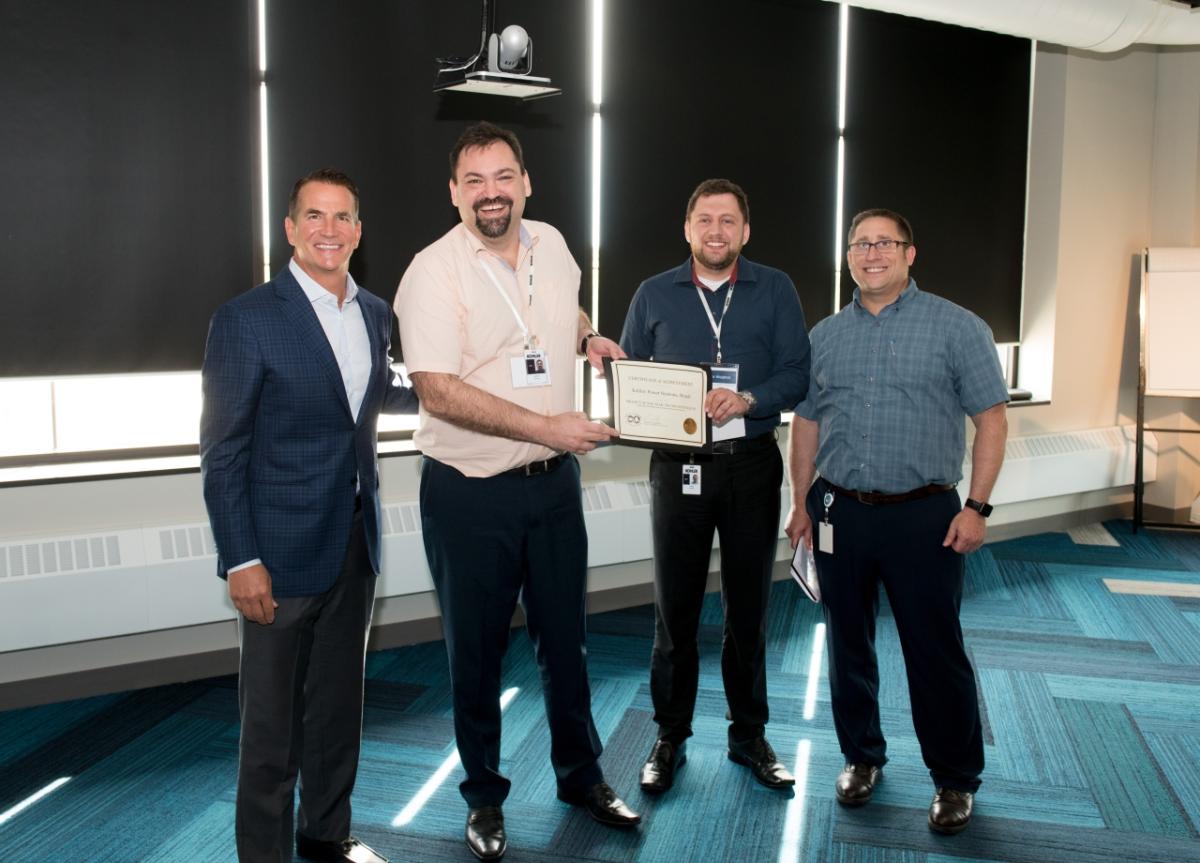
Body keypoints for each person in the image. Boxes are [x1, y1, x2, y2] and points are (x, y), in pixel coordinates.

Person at [393, 122, 639, 862]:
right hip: (471, 494)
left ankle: (581, 776)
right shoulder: (432, 271)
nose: (491, 192)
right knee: (477, 653)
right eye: (474, 180)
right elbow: (438, 391)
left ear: (526, 182)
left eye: (503, 176)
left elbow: (556, 315)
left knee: (567, 641)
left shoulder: (554, 244)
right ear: (454, 192)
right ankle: (484, 797)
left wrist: (587, 338)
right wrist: (548, 425)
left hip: (553, 486)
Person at [200, 168, 417, 863]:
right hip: (277, 557)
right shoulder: (245, 319)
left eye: (343, 217)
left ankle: (326, 833)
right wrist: (241, 558)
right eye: (314, 217)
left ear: (359, 230)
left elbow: (386, 394)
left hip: (353, 545)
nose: (330, 229)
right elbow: (222, 453)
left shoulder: (377, 312)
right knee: (269, 730)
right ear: (290, 229)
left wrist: (485, 380)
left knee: (335, 713)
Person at [785, 208, 1008, 835]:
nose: (871, 253)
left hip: (926, 516)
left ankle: (955, 777)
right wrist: (800, 501)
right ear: (848, 256)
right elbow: (806, 422)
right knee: (847, 642)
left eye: (885, 243)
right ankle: (862, 757)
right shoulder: (824, 334)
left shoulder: (959, 328)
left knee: (933, 651)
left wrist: (978, 506)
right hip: (839, 511)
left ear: (912, 253)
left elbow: (991, 418)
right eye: (860, 244)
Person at [619, 179, 810, 795]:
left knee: (748, 609)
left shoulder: (775, 287)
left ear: (745, 232)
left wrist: (749, 398)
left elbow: (797, 374)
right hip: (679, 468)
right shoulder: (653, 294)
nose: (716, 232)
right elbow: (631, 378)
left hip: (752, 464)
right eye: (705, 220)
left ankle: (748, 735)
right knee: (673, 610)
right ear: (688, 228)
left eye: (728, 221)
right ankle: (669, 736)